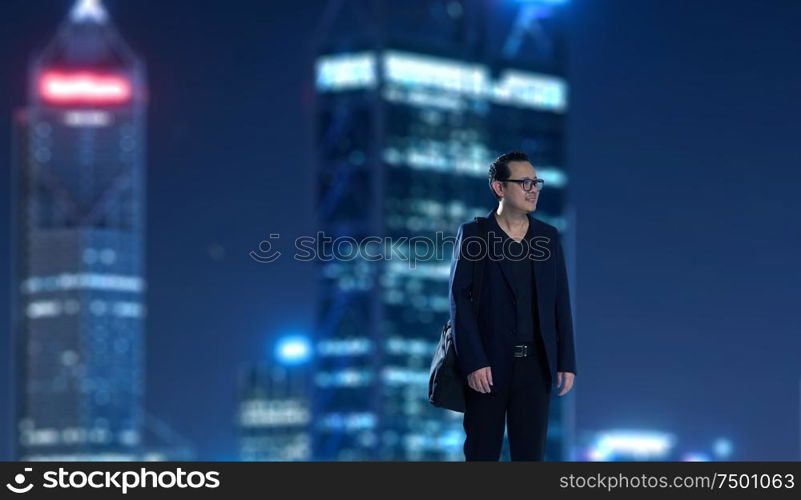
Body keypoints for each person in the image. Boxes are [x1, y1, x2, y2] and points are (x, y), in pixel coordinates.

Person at [448, 151, 577, 461]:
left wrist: (567, 361)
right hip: (487, 367)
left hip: (535, 367)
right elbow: (459, 300)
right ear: (499, 188)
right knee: (482, 454)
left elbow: (560, 300)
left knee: (531, 458)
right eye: (524, 182)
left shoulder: (547, 236)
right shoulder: (474, 234)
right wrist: (474, 361)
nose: (533, 189)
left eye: (536, 182)